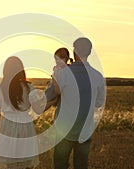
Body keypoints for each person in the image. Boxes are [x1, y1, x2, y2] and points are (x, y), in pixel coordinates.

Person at [51, 38, 106, 169]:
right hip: (85, 130)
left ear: (74, 51)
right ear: (90, 52)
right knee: (81, 165)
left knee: (60, 165)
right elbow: (98, 104)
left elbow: (53, 95)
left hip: (63, 130)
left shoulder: (63, 74)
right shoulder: (98, 77)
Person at [0, 56, 56, 169]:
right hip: (25, 126)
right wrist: (53, 102)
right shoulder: (28, 87)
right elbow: (38, 109)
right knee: (25, 162)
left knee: (9, 162)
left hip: (7, 126)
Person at [45, 47, 72, 121]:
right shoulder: (67, 69)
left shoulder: (64, 72)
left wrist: (54, 77)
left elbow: (57, 91)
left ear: (65, 59)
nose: (56, 62)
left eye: (58, 59)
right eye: (56, 59)